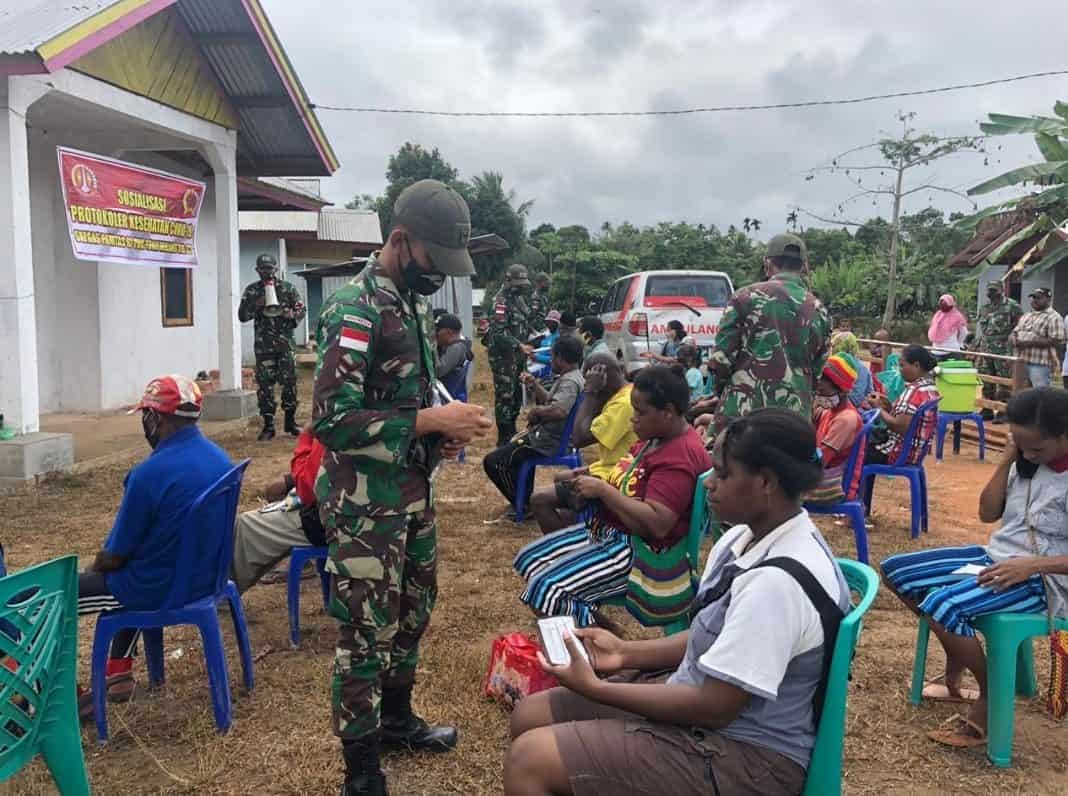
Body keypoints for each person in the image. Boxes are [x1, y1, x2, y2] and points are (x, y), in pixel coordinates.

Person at [503, 409, 848, 796]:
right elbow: (721, 639)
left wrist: (596, 689)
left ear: (766, 481)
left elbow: (714, 707)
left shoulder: (776, 584)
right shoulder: (745, 540)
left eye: (722, 474)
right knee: (529, 714)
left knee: (529, 761)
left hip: (747, 756)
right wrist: (626, 653)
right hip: (709, 712)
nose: (709, 484)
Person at [312, 179, 493, 796]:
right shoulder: (354, 310)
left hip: (411, 488)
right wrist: (428, 421)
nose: (436, 277)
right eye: (432, 261)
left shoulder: (410, 303)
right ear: (399, 240)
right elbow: (333, 422)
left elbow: (405, 398)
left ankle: (395, 719)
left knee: (414, 608)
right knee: (365, 628)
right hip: (363, 503)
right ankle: (360, 771)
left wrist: (434, 438)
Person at [881, 387, 1068, 748]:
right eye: (1020, 444)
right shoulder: (1024, 463)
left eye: (1037, 448)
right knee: (895, 571)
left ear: (1064, 436)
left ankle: (991, 693)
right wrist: (1007, 460)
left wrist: (1032, 566)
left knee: (942, 604)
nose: (1029, 454)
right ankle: (962, 663)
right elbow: (986, 513)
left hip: (1045, 580)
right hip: (997, 557)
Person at [77, 375, 232, 711]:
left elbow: (116, 556)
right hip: (206, 580)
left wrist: (92, 570)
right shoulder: (220, 459)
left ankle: (47, 695)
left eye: (145, 416)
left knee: (57, 595)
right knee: (133, 571)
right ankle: (117, 672)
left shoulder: (148, 475)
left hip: (158, 587)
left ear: (156, 419)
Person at [514, 366, 711, 627]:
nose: (633, 420)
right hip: (610, 533)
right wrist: (590, 477)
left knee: (547, 589)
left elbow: (658, 523)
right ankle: (610, 637)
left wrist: (603, 491)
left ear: (670, 412)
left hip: (639, 552)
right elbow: (633, 477)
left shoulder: (678, 456)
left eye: (640, 413)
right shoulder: (657, 438)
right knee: (529, 560)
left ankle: (611, 654)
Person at [708, 233, 830, 438]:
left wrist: (725, 391)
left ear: (767, 264)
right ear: (804, 267)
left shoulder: (745, 297)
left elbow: (720, 360)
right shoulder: (819, 310)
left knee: (728, 467)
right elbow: (817, 371)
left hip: (743, 414)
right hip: (793, 419)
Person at [529, 354, 637, 534]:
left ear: (602, 377)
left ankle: (562, 551)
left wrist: (591, 393)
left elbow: (579, 439)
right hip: (612, 466)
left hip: (618, 475)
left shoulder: (623, 404)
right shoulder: (624, 393)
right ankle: (577, 533)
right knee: (561, 478)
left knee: (539, 499)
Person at [484, 336, 585, 510]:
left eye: (552, 357)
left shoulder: (569, 382)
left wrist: (536, 411)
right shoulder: (573, 377)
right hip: (549, 438)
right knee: (515, 451)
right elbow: (553, 402)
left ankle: (522, 504)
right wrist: (534, 385)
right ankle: (524, 498)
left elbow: (559, 411)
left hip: (549, 443)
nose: (551, 360)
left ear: (560, 358)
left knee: (493, 461)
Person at [230, 425, 326, 593]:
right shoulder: (378, 412)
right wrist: (289, 481)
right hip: (371, 516)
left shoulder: (337, 419)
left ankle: (224, 594)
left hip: (334, 520)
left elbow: (307, 489)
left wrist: (306, 436)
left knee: (245, 525)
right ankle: (304, 562)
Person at [238, 253, 306, 441]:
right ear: (257, 270)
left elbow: (302, 309)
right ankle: (268, 426)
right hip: (264, 347)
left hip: (285, 346)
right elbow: (242, 315)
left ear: (275, 269)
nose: (266, 272)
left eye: (269, 269)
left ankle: (290, 423)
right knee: (265, 386)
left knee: (289, 383)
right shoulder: (252, 291)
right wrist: (255, 305)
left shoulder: (288, 288)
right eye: (262, 269)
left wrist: (291, 315)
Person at [486, 264, 536, 446]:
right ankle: (504, 436)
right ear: (508, 281)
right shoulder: (500, 302)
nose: (521, 286)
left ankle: (512, 430)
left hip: (518, 356)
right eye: (517, 283)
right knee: (505, 396)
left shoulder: (519, 299)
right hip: (503, 358)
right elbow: (498, 333)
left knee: (516, 394)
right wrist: (518, 345)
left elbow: (524, 321)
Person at [865, 344, 940, 466]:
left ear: (916, 365)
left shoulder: (913, 390)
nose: (899, 369)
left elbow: (900, 427)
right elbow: (910, 419)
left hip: (898, 453)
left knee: (859, 451)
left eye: (902, 365)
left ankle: (858, 485)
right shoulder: (929, 388)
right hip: (916, 452)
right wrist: (889, 407)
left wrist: (878, 409)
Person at [807, 355, 864, 506]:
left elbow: (820, 460)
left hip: (830, 484)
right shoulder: (829, 411)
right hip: (826, 474)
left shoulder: (845, 420)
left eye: (822, 391)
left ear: (842, 391)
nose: (819, 396)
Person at [976, 281, 1023, 416]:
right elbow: (984, 330)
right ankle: (987, 408)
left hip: (1003, 349)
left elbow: (1019, 325)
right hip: (986, 349)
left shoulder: (1012, 306)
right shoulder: (984, 308)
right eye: (989, 291)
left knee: (1003, 381)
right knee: (986, 378)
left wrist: (1013, 342)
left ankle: (1003, 410)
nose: (991, 293)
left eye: (994, 291)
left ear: (1001, 290)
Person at [1011, 287, 1067, 389]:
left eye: (1038, 298)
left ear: (1048, 299)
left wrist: (1028, 343)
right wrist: (1013, 339)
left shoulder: (1054, 317)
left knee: (1040, 395)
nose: (1034, 300)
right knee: (1021, 393)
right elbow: (1015, 331)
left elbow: (1056, 341)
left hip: (1040, 364)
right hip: (1021, 362)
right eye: (1033, 298)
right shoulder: (1027, 315)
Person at [830, 331, 877, 409]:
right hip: (860, 410)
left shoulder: (835, 365)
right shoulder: (864, 369)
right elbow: (870, 392)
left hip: (839, 408)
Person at [434, 313, 473, 396]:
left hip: (451, 400)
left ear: (449, 332)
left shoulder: (456, 348)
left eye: (437, 330)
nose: (436, 334)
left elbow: (438, 371)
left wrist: (432, 345)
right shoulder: (460, 344)